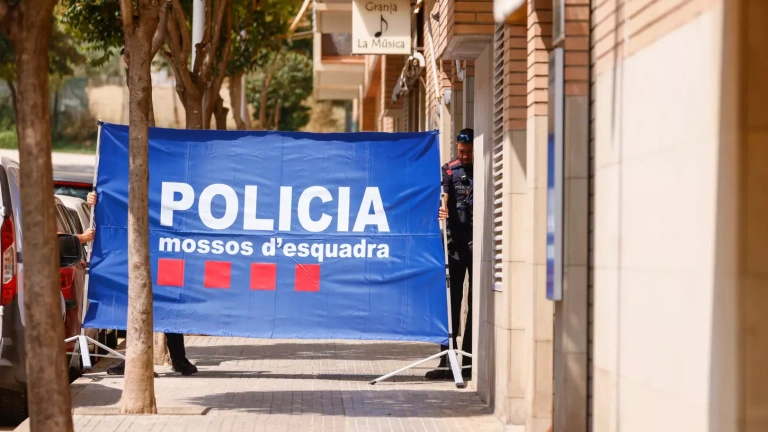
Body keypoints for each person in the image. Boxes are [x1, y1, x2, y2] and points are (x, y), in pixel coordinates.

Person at [86, 192, 198, 376]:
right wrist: (97, 199)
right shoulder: (127, 185)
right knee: (134, 309)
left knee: (167, 306)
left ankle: (178, 359)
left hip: (165, 251)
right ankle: (135, 361)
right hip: (137, 252)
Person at [426, 128, 474, 380]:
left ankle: (468, 362)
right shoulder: (449, 170)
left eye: (468, 152)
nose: (464, 156)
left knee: (474, 304)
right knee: (451, 303)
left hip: (476, 245)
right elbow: (443, 195)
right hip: (454, 245)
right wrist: (442, 207)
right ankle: (446, 361)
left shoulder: (483, 167)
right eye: (461, 151)